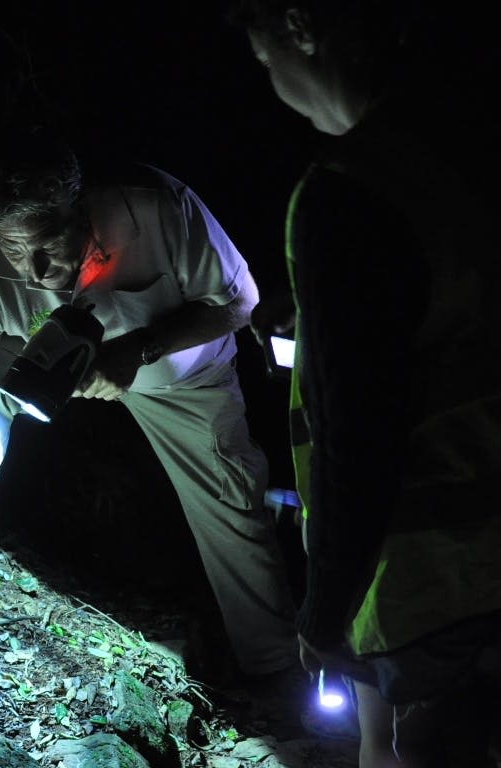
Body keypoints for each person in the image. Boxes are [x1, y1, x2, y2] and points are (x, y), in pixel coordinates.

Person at [0, 125, 300, 682]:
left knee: (229, 491)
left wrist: (139, 349)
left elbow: (240, 302)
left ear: (82, 209)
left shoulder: (157, 207)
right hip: (50, 366)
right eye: (16, 249)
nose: (37, 271)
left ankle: (274, 666)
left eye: (48, 244)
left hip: (180, 373)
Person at [227, 0, 501, 765]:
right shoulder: (471, 144)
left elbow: (360, 436)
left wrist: (324, 612)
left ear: (300, 26)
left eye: (262, 57)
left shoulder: (351, 191)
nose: (271, 80)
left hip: (436, 579)